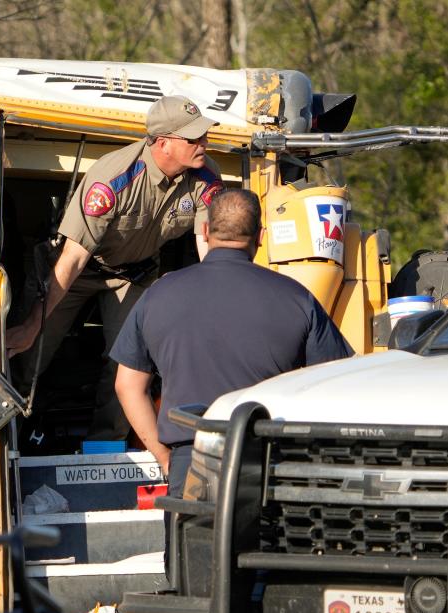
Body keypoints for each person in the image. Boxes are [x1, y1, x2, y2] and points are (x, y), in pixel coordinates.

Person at [110, 188, 353, 571]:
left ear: (205, 231)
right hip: (272, 463)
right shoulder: (296, 298)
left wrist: (164, 456)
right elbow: (337, 385)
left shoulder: (158, 296)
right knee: (268, 586)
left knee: (195, 585)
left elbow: (128, 386)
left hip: (191, 462)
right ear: (260, 237)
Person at [6, 95, 226, 440]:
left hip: (134, 274)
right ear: (163, 143)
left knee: (128, 365)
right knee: (31, 352)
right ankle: (11, 433)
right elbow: (72, 259)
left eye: (203, 136)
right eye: (194, 138)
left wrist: (221, 305)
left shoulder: (205, 177)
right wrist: (34, 324)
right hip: (78, 271)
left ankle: (106, 449)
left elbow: (208, 246)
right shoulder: (114, 179)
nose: (204, 144)